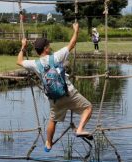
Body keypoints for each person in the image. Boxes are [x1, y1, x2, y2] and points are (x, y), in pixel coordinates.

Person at [17, 23, 93, 152]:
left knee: (53, 120)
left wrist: (23, 47)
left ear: (37, 51)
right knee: (88, 108)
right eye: (49, 45)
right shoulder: (56, 56)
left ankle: (48, 143)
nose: (50, 47)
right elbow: (72, 44)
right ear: (46, 48)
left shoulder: (35, 64)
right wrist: (76, 31)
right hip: (69, 92)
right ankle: (79, 129)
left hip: (55, 99)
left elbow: (19, 61)